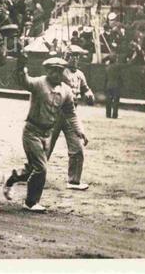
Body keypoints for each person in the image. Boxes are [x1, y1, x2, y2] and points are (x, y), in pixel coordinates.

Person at [2, 56, 87, 212]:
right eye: (53, 70)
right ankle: (30, 202)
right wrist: (22, 67)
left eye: (60, 70)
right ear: (47, 70)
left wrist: (80, 130)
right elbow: (24, 81)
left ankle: (12, 178)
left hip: (47, 133)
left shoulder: (66, 90)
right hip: (32, 132)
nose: (56, 73)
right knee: (41, 167)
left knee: (32, 169)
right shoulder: (39, 83)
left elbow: (71, 114)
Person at [46, 51, 94, 190]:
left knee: (77, 147)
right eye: (73, 56)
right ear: (67, 58)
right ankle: (32, 174)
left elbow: (86, 88)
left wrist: (89, 94)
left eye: (78, 57)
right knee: (46, 146)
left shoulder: (80, 74)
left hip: (70, 114)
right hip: (56, 112)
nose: (76, 59)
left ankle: (74, 180)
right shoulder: (60, 72)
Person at [103, 54, 123, 119]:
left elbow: (106, 78)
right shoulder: (118, 67)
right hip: (116, 85)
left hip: (109, 85)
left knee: (108, 101)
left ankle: (108, 114)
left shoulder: (107, 67)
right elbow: (120, 77)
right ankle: (114, 115)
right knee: (116, 101)